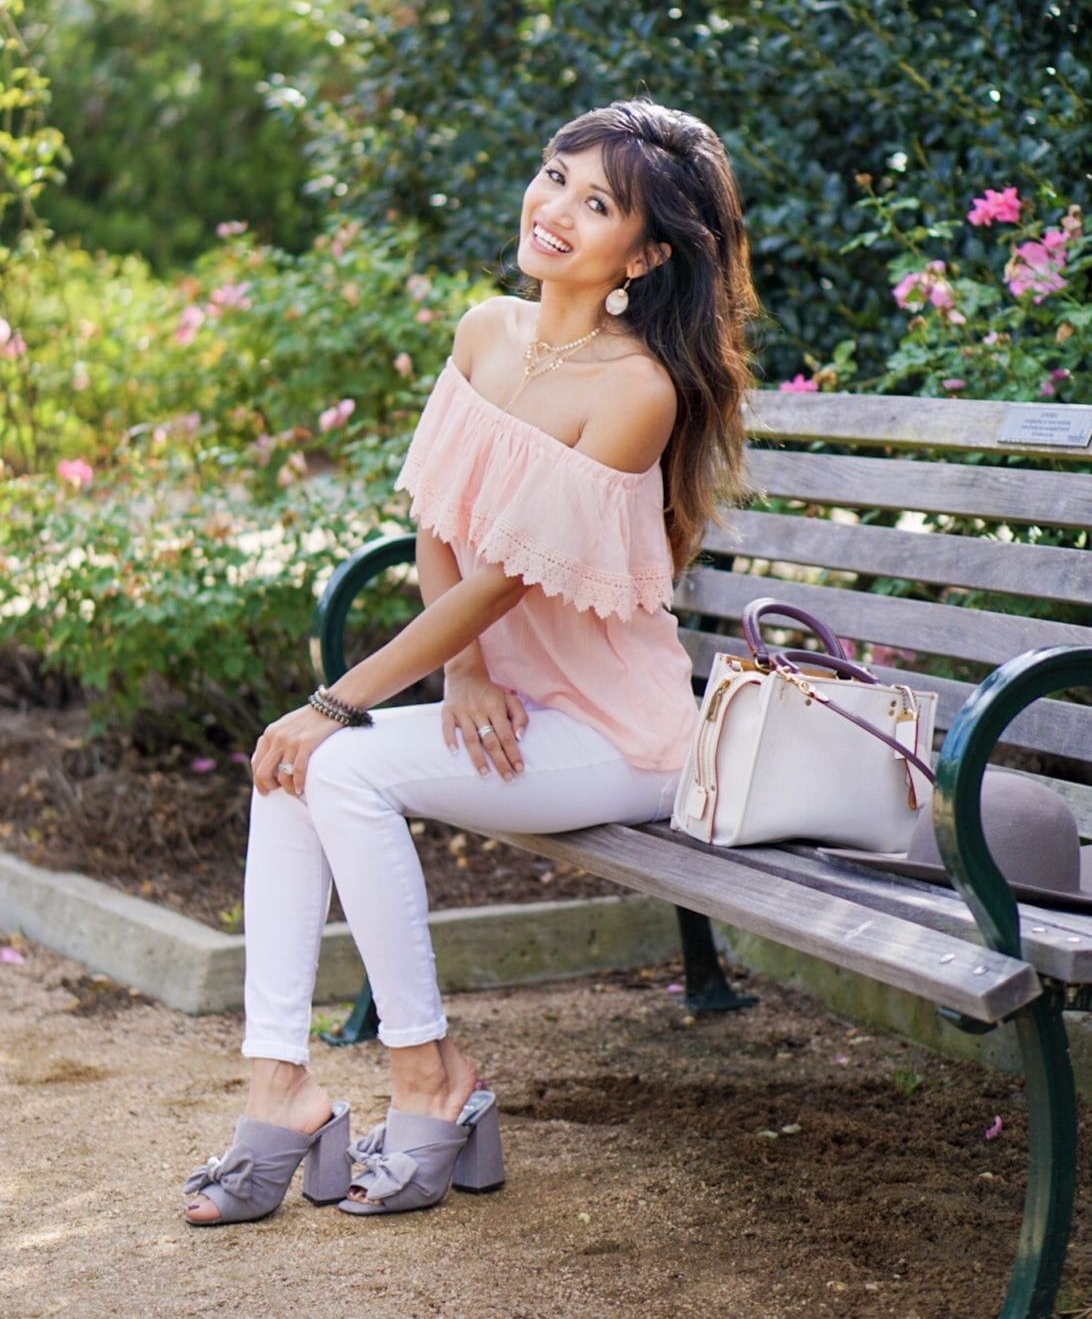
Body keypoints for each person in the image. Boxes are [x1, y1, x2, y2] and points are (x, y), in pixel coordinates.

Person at [183, 97, 757, 1226]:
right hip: (510, 708)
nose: (554, 209)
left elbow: (507, 580)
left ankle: (426, 1075)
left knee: (330, 754)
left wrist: (337, 698)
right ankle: (278, 1084)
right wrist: (465, 672)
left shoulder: (636, 390)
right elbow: (443, 521)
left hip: (616, 734)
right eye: (554, 175)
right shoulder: (485, 331)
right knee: (287, 765)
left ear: (642, 254)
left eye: (597, 204)